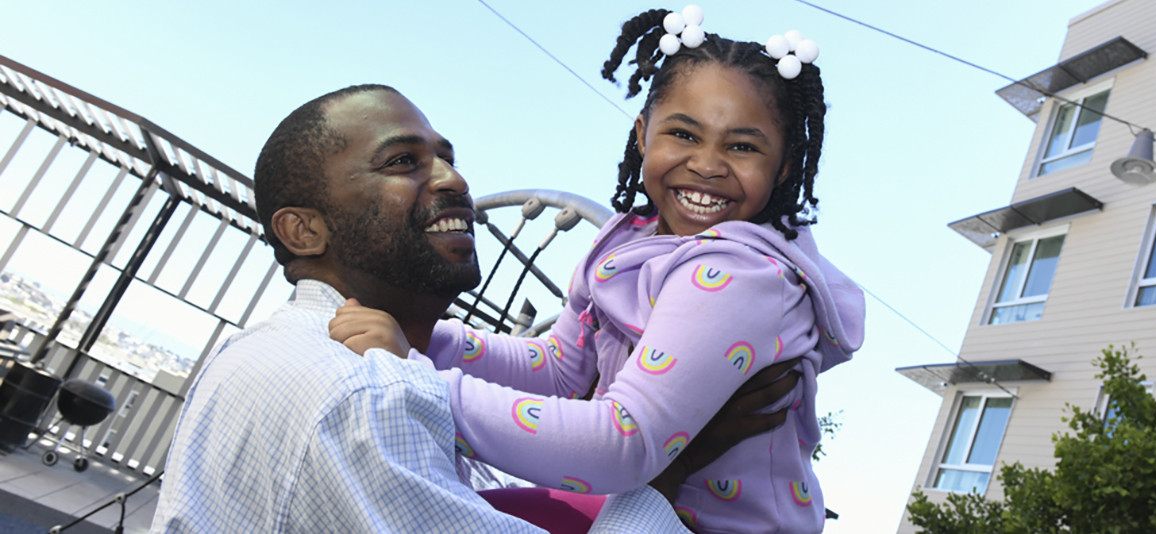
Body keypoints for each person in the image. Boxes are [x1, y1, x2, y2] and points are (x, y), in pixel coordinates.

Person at [149, 84, 798, 533]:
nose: (452, 179)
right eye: (403, 161)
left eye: (447, 159)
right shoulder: (369, 391)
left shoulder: (265, 349)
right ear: (302, 231)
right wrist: (667, 472)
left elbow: (557, 368)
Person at [331, 6, 865, 533]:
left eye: (743, 146)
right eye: (683, 134)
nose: (707, 163)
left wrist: (418, 380)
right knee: (442, 510)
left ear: (785, 167)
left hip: (718, 525)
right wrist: (429, 341)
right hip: (637, 504)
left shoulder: (743, 276)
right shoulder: (628, 238)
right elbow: (561, 369)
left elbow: (623, 441)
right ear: (642, 134)